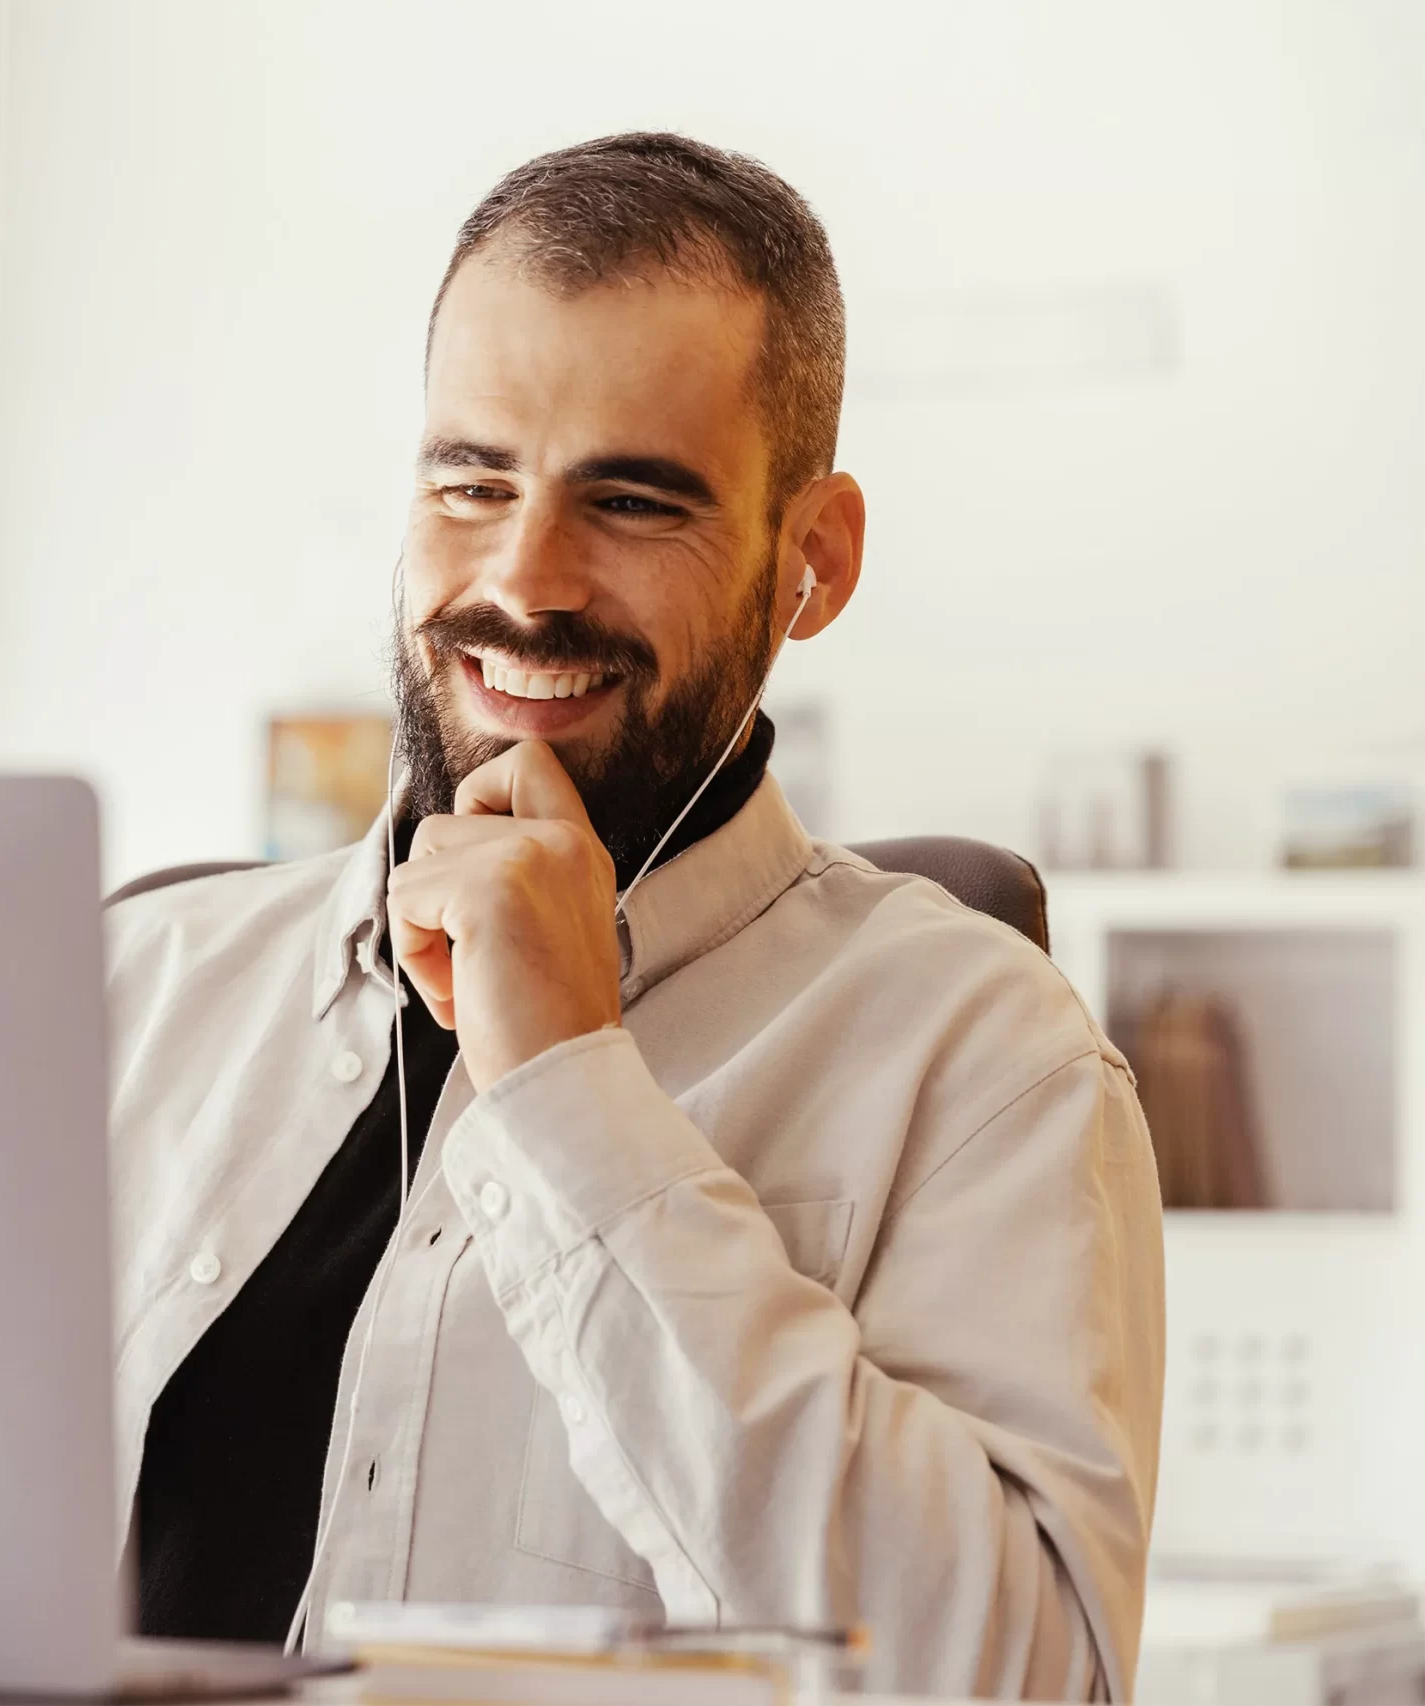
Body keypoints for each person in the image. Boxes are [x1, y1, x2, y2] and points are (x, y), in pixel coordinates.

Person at [107, 133, 1163, 1701]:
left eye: (631, 500)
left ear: (815, 559)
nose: (526, 582)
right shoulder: (133, 989)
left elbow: (1017, 1679)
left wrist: (571, 1091)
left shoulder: (992, 1060)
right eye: (472, 481)